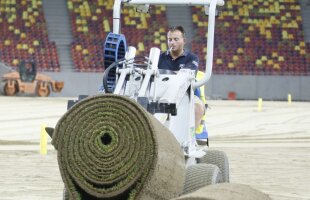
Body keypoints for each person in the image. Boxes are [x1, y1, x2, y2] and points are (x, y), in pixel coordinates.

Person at [158, 26, 205, 130]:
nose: (172, 42)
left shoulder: (192, 58)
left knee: (198, 108)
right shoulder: (160, 57)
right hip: (162, 94)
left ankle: (192, 140)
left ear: (184, 41)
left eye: (176, 39)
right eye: (170, 39)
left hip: (186, 95)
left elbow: (189, 74)